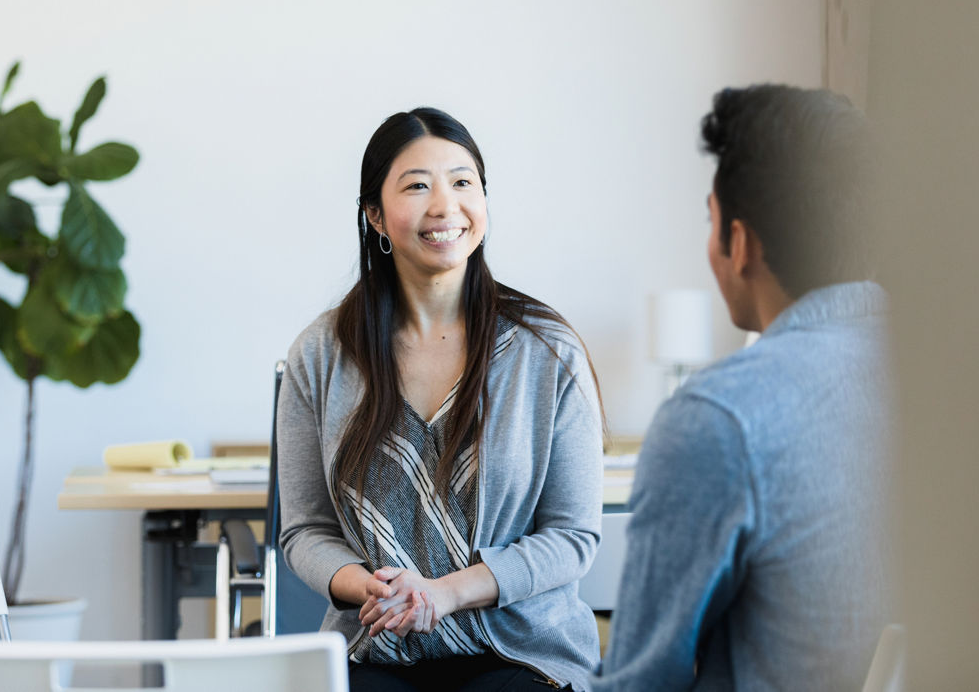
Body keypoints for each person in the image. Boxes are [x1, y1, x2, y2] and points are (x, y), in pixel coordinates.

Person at [278, 108, 605, 691]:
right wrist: (369, 587)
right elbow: (304, 532)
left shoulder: (546, 351)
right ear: (375, 215)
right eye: (417, 186)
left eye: (462, 182)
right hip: (375, 645)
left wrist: (444, 593)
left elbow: (573, 536)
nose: (444, 206)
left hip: (520, 651)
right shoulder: (320, 355)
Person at [596, 85, 892, 691]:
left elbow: (641, 683)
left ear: (739, 242)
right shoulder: (964, 382)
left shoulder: (719, 418)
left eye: (711, 221)